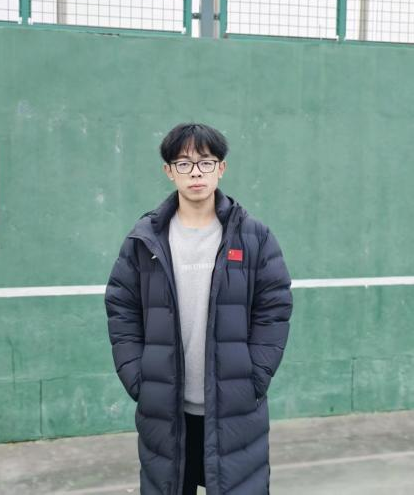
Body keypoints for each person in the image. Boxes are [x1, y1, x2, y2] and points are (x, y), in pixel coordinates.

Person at [104, 123, 293, 495]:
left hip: (235, 409)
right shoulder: (144, 239)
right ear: (169, 171)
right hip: (166, 410)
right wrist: (138, 378)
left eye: (205, 162)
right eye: (184, 163)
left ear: (221, 168)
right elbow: (121, 306)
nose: (195, 173)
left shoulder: (254, 236)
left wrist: (254, 377)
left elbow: (274, 308)